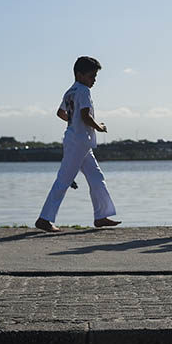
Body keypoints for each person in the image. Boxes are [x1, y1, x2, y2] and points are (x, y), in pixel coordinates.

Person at [35, 57, 120, 232]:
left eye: (95, 77)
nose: (94, 80)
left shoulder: (70, 92)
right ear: (79, 74)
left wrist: (73, 121)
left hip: (78, 141)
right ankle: (44, 219)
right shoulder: (83, 91)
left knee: (96, 178)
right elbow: (85, 116)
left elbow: (60, 113)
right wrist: (100, 126)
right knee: (63, 180)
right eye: (91, 76)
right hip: (79, 141)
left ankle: (101, 216)